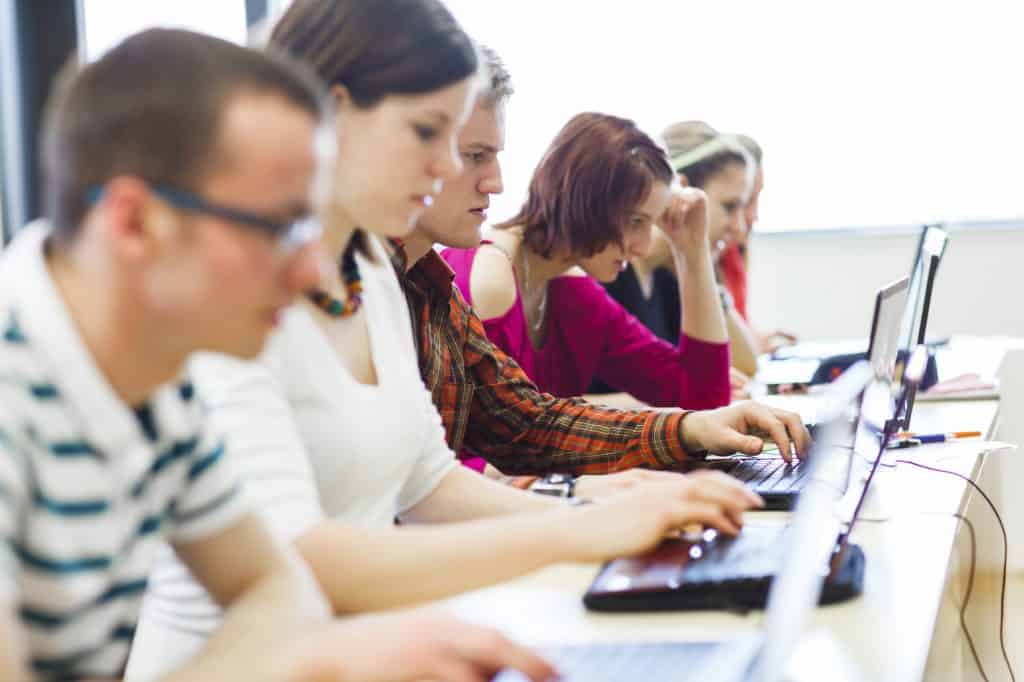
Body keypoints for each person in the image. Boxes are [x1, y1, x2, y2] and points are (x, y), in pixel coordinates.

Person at [128, 3, 772, 679]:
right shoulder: (230, 289)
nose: (446, 167)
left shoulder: (375, 270)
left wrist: (604, 511)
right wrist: (580, 527)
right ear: (334, 114)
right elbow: (295, 556)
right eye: (429, 134)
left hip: (361, 653)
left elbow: (428, 482)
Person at [0, 27, 554, 682]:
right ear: (134, 223)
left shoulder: (155, 377)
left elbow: (277, 584)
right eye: (280, 228)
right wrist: (321, 660)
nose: (311, 273)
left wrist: (322, 656)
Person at [397, 53, 810, 491]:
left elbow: (529, 424)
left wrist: (692, 254)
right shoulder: (479, 278)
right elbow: (464, 468)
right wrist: (577, 490)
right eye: (636, 221)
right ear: (588, 203)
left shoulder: (540, 290)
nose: (644, 244)